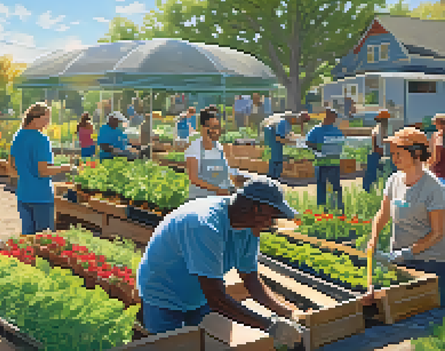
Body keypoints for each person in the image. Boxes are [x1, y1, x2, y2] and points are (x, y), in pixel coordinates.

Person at [137, 178, 304, 348]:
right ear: (256, 208)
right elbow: (216, 299)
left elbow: (251, 280)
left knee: (199, 343)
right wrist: (271, 326)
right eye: (272, 216)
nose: (271, 224)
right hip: (163, 295)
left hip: (198, 297)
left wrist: (286, 312)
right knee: (170, 346)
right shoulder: (205, 225)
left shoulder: (249, 228)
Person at [365, 127, 445, 306]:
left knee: (421, 313)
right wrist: (373, 240)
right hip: (401, 259)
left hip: (430, 263)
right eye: (393, 153)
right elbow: (383, 213)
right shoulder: (394, 180)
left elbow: (438, 233)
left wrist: (406, 253)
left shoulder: (434, 188)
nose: (395, 158)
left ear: (417, 153)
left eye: (399, 153)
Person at [10, 103, 71, 235]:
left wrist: (26, 173)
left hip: (23, 194)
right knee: (44, 240)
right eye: (46, 119)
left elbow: (12, 166)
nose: (47, 123)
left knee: (27, 238)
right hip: (41, 196)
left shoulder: (18, 136)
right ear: (34, 118)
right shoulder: (41, 140)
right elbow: (43, 171)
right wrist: (64, 168)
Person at [185, 105, 247, 200]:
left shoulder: (218, 147)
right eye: (211, 127)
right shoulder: (195, 148)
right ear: (203, 128)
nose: (215, 131)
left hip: (218, 200)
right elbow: (194, 178)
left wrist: (233, 186)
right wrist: (218, 189)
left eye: (217, 127)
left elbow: (224, 172)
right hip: (200, 201)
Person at [306, 108, 346, 210]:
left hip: (331, 163)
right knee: (325, 186)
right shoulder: (317, 130)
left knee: (331, 186)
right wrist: (320, 148)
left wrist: (321, 147)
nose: (334, 119)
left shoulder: (334, 130)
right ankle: (326, 208)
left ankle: (336, 206)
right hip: (322, 163)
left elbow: (341, 145)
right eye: (333, 117)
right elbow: (308, 143)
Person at [364, 110, 391, 192]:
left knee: (373, 174)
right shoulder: (380, 129)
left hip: (375, 153)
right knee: (375, 174)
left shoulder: (377, 128)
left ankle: (370, 190)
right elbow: (380, 143)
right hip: (377, 153)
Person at [428, 113, 445, 185]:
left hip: (440, 174)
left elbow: (436, 158)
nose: (434, 124)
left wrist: (428, 167)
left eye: (435, 122)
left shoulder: (438, 135)